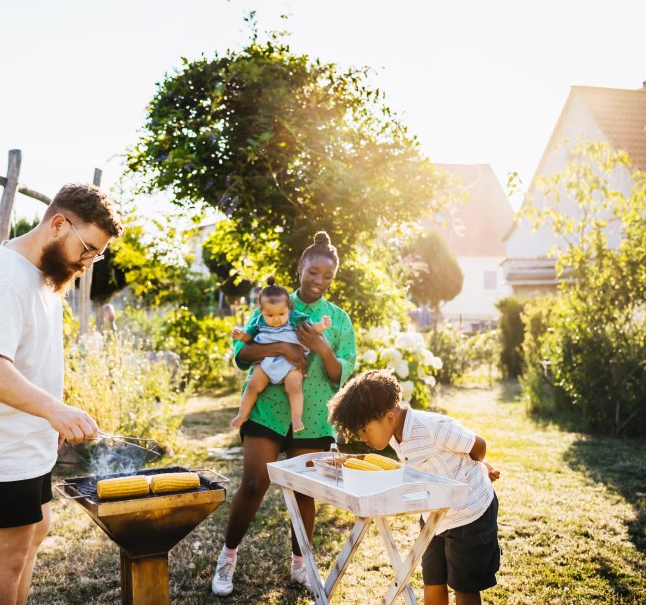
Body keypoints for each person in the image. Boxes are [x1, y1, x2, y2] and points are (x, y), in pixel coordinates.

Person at [0, 183, 123, 605]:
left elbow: (29, 358)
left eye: (97, 254)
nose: (88, 262)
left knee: (34, 534)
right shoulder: (6, 279)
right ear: (59, 223)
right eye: (87, 249)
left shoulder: (42, 275)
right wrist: (53, 410)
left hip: (28, 437)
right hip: (1, 444)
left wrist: (49, 418)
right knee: (7, 557)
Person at [212, 231, 357, 597]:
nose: (319, 281)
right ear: (300, 268)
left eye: (327, 276)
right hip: (267, 412)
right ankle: (227, 558)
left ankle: (300, 565)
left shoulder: (338, 320)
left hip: (312, 417)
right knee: (253, 484)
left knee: (303, 493)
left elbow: (343, 373)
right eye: (314, 272)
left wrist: (323, 349)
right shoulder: (272, 302)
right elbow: (241, 354)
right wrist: (280, 347)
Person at [326, 370, 501, 605]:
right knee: (433, 580)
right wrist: (349, 460)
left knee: (464, 586)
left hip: (469, 514)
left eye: (365, 430)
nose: (363, 437)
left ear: (388, 417)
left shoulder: (434, 427)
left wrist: (479, 466)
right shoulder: (395, 432)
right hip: (434, 514)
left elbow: (478, 446)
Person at [229, 276, 332, 433]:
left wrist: (321, 326)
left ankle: (296, 418)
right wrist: (241, 336)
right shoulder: (258, 322)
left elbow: (311, 330)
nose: (276, 319)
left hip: (292, 364)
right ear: (262, 312)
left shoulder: (295, 319)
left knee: (294, 386)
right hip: (266, 361)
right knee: (252, 385)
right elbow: (248, 337)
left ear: (289, 309)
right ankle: (242, 414)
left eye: (281, 314)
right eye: (270, 315)